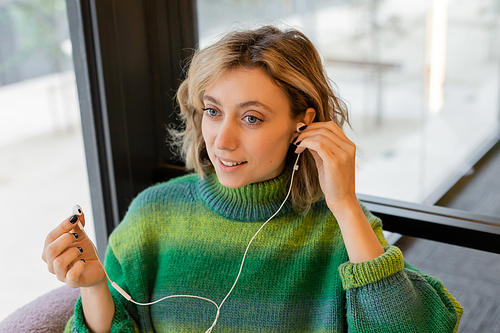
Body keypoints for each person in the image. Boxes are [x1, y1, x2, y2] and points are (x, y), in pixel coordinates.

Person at [42, 25, 463, 332]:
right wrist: (95, 287)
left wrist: (346, 206)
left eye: (251, 118)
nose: (221, 141)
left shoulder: (339, 228)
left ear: (303, 123)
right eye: (212, 111)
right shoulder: (154, 213)